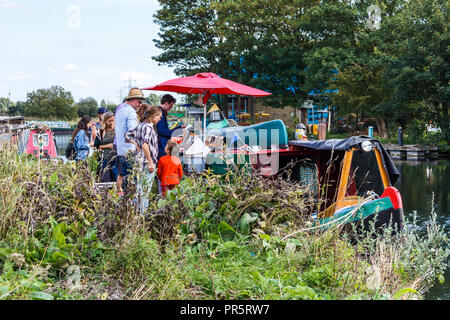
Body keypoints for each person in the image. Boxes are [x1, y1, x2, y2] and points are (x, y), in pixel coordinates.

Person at [125, 104, 162, 214]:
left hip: (139, 161)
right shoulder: (148, 127)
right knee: (145, 191)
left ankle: (133, 213)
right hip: (147, 163)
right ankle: (142, 216)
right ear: (154, 115)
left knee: (139, 189)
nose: (159, 119)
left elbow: (127, 136)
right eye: (159, 117)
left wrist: (135, 143)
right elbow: (145, 145)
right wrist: (150, 162)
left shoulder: (140, 125)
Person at [114, 87, 145, 194]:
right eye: (139, 102)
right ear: (132, 100)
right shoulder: (131, 113)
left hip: (120, 150)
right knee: (134, 180)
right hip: (130, 151)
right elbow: (133, 132)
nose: (140, 105)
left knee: (122, 177)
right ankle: (133, 204)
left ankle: (121, 201)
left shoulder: (120, 110)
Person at [156, 94, 182, 160]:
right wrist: (178, 129)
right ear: (166, 103)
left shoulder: (162, 112)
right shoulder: (160, 112)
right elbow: (162, 131)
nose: (171, 108)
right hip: (160, 146)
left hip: (161, 145)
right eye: (171, 105)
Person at [94, 112, 117, 182]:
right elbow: (97, 146)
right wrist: (108, 145)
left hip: (116, 158)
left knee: (116, 177)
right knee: (106, 178)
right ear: (105, 122)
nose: (111, 122)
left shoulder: (118, 130)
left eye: (112, 120)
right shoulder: (101, 131)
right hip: (105, 158)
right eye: (109, 121)